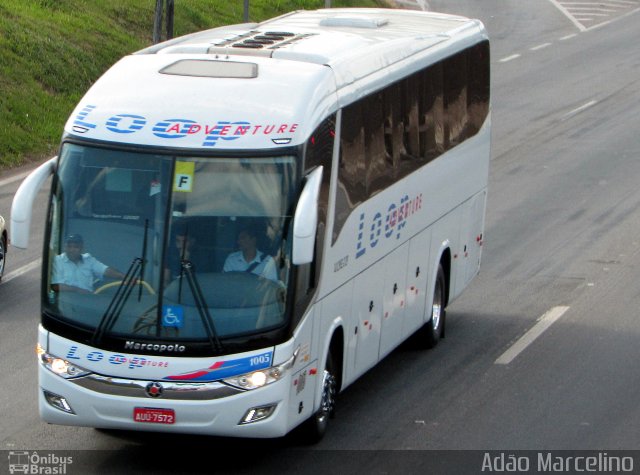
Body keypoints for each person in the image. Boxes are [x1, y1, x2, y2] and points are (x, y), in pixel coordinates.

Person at [51, 234, 125, 294]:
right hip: (65, 302)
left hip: (87, 301)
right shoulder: (57, 261)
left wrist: (123, 276)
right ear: (64, 247)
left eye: (76, 247)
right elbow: (55, 286)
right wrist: (78, 290)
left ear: (82, 248)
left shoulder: (88, 260)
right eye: (69, 246)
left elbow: (105, 270)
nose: (71, 250)